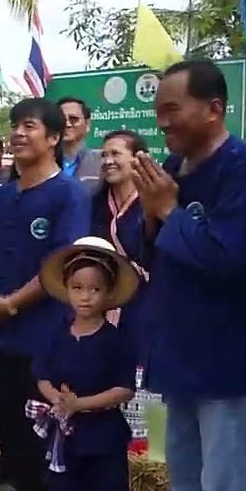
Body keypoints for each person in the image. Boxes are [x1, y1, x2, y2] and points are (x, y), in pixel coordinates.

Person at [133, 59, 246, 491]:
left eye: (172, 109)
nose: (162, 122)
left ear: (214, 108)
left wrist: (169, 210)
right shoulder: (172, 169)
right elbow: (150, 253)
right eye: (158, 111)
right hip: (179, 356)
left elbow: (229, 258)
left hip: (229, 361)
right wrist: (154, 217)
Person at [0, 97, 91, 491]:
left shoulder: (68, 194)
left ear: (54, 137)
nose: (18, 135)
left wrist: (8, 304)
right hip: (1, 334)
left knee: (50, 429)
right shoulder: (3, 195)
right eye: (14, 126)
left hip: (46, 333)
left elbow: (61, 264)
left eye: (29, 126)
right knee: (12, 428)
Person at [34, 236, 139, 491]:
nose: (86, 297)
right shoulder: (56, 336)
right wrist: (59, 402)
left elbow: (124, 389)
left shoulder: (115, 340)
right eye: (78, 288)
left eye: (95, 289)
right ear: (66, 290)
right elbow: (42, 376)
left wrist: (81, 404)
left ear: (109, 295)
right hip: (66, 439)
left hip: (104, 439)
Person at [90, 130, 151, 350]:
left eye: (115, 154)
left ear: (138, 158)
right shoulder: (94, 204)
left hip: (146, 303)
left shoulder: (154, 201)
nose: (108, 161)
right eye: (104, 156)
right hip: (102, 300)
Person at [56, 97, 102, 193]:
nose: (67, 124)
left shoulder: (102, 162)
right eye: (62, 120)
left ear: (87, 124)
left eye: (73, 119)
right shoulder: (41, 163)